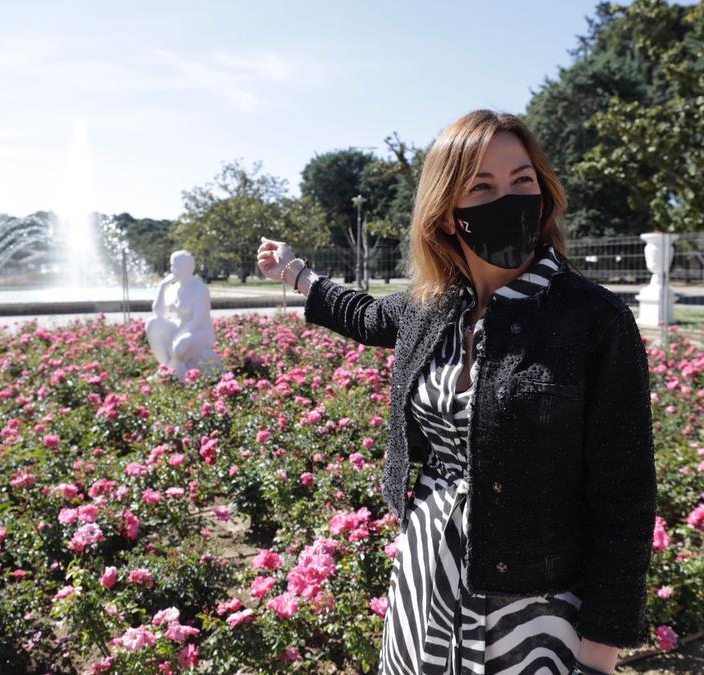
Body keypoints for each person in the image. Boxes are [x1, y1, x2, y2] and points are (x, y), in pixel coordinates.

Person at [257, 109, 656, 674]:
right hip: (425, 575)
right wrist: (297, 275)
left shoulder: (593, 320)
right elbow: (368, 315)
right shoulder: (436, 305)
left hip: (533, 606)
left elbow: (626, 493)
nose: (511, 200)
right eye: (483, 187)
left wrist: (600, 649)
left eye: (523, 181)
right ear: (447, 216)